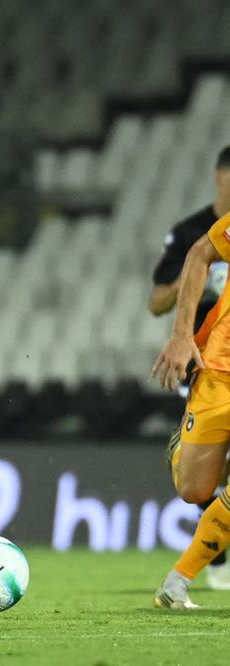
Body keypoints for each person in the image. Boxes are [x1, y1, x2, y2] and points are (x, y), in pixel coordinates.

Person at [149, 146, 230, 590]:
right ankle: (185, 446)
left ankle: (181, 579)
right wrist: (182, 336)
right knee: (197, 489)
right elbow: (199, 254)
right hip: (220, 368)